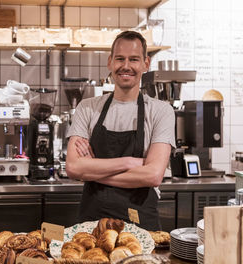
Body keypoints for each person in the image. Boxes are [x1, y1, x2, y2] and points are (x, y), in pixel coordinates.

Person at [65, 31, 175, 231]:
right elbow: (73, 167)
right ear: (110, 62)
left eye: (133, 59)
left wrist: (91, 170)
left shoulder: (161, 111)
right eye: (119, 59)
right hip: (91, 226)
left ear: (146, 64)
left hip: (141, 225)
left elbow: (152, 176)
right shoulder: (87, 107)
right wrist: (129, 163)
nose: (126, 66)